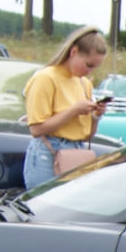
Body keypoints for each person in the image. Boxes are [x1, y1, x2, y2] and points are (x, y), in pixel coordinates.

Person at [22, 25, 109, 189]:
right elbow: (36, 129)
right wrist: (74, 110)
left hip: (76, 151)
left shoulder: (84, 83)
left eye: (94, 67)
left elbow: (86, 134)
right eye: (88, 65)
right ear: (73, 52)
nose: (89, 71)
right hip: (48, 153)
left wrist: (96, 115)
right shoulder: (45, 78)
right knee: (44, 209)